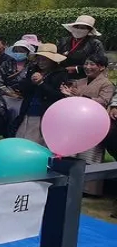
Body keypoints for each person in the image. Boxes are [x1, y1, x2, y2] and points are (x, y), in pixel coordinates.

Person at [60, 55, 114, 195]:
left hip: (94, 122)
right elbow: (73, 99)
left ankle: (89, 189)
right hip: (77, 121)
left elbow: (103, 101)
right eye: (86, 64)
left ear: (101, 67)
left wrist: (81, 96)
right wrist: (67, 93)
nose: (88, 67)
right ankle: (69, 184)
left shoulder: (107, 84)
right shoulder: (80, 82)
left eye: (92, 64)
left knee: (90, 154)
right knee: (73, 153)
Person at [14, 43, 68, 146]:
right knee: (21, 140)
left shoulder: (60, 73)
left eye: (44, 59)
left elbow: (58, 96)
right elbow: (22, 89)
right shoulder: (33, 70)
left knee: (37, 143)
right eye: (39, 59)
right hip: (28, 111)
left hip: (45, 113)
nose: (41, 62)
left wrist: (41, 83)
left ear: (52, 60)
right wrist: (31, 81)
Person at [0, 40, 33, 137]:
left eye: (22, 50)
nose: (19, 52)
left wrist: (23, 93)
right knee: (2, 121)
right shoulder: (6, 64)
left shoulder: (32, 66)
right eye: (16, 50)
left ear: (27, 52)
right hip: (6, 98)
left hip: (24, 99)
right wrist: (10, 93)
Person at [57, 15, 106, 80]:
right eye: (76, 27)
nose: (78, 29)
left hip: (85, 78)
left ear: (89, 30)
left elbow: (100, 63)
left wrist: (77, 68)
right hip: (63, 77)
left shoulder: (95, 44)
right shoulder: (63, 41)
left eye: (82, 28)